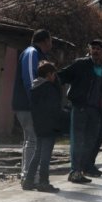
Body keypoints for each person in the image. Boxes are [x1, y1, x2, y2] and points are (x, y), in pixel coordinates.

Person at [58, 39, 102, 183]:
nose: (95, 51)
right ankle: (75, 171)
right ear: (89, 50)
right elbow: (63, 75)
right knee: (78, 140)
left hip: (96, 111)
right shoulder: (81, 64)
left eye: (98, 48)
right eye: (93, 48)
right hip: (80, 107)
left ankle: (85, 168)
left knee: (90, 141)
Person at [12, 29, 53, 181]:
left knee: (31, 139)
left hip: (29, 105)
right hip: (28, 106)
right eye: (50, 39)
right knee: (34, 140)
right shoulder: (31, 53)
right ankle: (30, 176)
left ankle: (27, 174)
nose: (51, 43)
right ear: (45, 41)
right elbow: (30, 79)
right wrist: (36, 102)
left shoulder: (39, 54)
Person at [21, 61, 63, 193]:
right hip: (49, 126)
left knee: (37, 154)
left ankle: (28, 181)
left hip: (38, 125)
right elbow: (54, 109)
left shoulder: (35, 87)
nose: (55, 77)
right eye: (54, 74)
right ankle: (43, 182)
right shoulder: (49, 89)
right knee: (45, 156)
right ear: (49, 75)